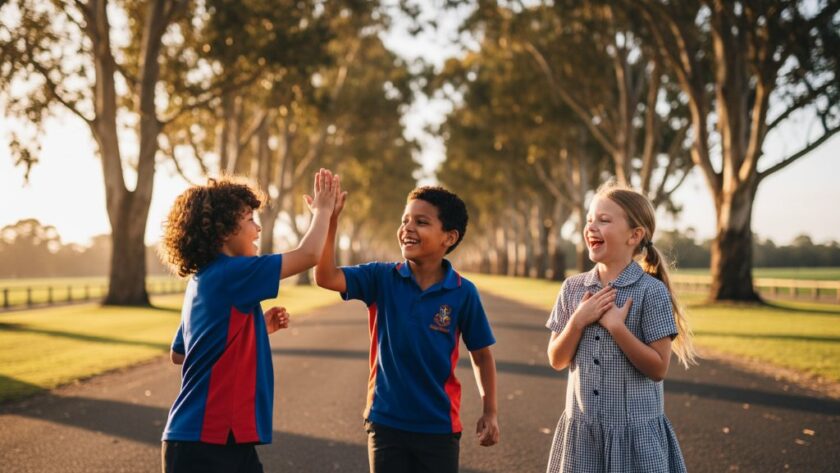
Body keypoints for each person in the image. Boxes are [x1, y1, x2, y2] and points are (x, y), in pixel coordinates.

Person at [159, 169, 338, 473]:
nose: (257, 230)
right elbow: (308, 254)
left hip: (201, 440)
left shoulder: (202, 281)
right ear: (225, 231)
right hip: (209, 442)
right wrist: (323, 211)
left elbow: (181, 353)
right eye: (250, 221)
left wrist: (257, 328)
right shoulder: (232, 273)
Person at [315, 185, 500, 473]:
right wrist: (329, 221)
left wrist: (490, 412)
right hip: (386, 422)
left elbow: (481, 355)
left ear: (449, 237)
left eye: (421, 222)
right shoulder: (380, 277)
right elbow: (326, 277)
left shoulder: (464, 292)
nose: (408, 228)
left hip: (439, 426)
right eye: (405, 220)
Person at [545, 183, 697, 473]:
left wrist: (617, 327)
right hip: (583, 438)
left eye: (604, 220)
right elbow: (556, 359)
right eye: (590, 219)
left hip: (635, 440)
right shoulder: (572, 288)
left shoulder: (651, 292)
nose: (591, 227)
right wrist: (578, 321)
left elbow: (658, 368)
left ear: (634, 235)